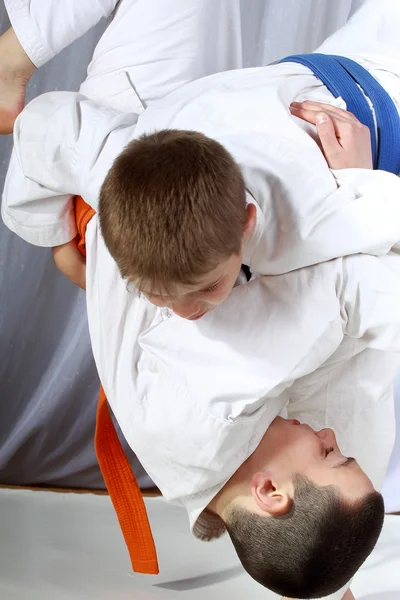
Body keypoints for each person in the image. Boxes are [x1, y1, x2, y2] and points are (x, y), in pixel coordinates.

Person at [3, 0, 400, 319]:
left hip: (338, 68)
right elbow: (374, 289)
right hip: (377, 107)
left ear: (247, 223)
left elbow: (44, 124)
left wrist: (59, 246)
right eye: (160, 296)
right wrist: (358, 182)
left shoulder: (125, 168)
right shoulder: (297, 244)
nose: (187, 312)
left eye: (208, 288)